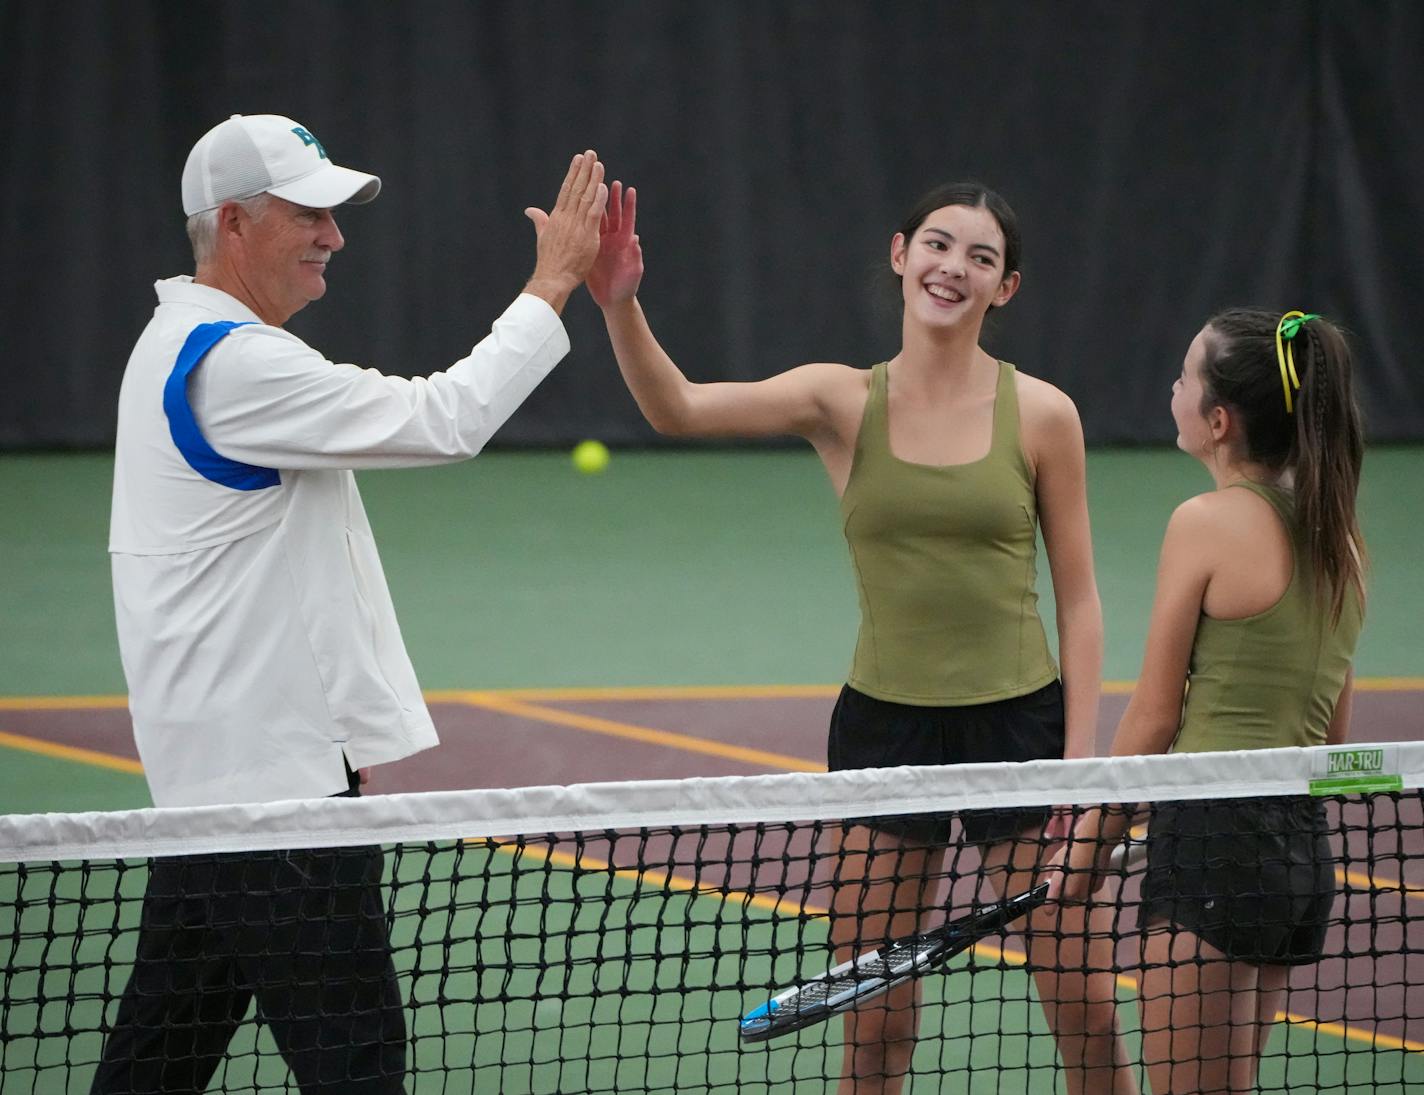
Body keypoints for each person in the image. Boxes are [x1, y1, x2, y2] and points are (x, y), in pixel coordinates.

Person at [95, 114, 607, 1093]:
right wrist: (552, 284)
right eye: (311, 214)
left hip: (222, 798)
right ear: (234, 223)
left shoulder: (177, 344)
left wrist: (337, 737)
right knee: (357, 1069)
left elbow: (279, 568)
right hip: (275, 814)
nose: (334, 235)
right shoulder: (234, 363)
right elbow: (444, 420)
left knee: (153, 1066)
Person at [586, 181, 1133, 1094]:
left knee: (1083, 1004)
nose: (953, 266)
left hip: (1024, 736)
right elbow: (676, 408)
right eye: (938, 243)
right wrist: (620, 301)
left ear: (1006, 289)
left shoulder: (1044, 414)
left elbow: (1079, 601)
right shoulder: (839, 401)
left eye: (981, 257)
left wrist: (1076, 766)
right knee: (875, 1027)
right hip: (887, 735)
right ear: (899, 254)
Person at [1050, 309, 1366, 1094]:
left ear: (1219, 421)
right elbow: (1330, 743)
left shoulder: (1204, 524)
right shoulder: (1341, 540)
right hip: (1297, 856)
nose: (1173, 388)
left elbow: (1154, 716)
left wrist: (1086, 851)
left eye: (1185, 377)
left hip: (1214, 848)